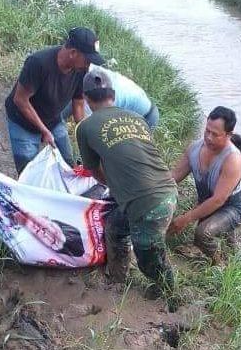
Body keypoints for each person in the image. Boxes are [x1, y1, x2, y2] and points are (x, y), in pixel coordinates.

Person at [75, 67, 177, 302]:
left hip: (148, 203)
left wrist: (113, 183)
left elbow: (93, 170)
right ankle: (118, 279)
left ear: (87, 99)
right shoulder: (138, 118)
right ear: (113, 94)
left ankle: (170, 294)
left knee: (148, 258)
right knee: (116, 228)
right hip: (169, 190)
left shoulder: (86, 127)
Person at [4, 27, 105, 174]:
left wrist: (86, 136)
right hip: (22, 121)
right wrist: (44, 130)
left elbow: (78, 105)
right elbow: (20, 100)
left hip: (53, 118)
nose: (89, 64)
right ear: (73, 53)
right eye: (87, 59)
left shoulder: (81, 70)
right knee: (29, 171)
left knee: (68, 162)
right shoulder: (38, 63)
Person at [169, 106, 241, 264]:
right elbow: (175, 175)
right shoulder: (194, 149)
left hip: (232, 206)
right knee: (221, 240)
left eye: (215, 134)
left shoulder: (232, 159)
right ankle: (231, 254)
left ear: (229, 135)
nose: (209, 138)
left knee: (202, 233)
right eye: (207, 131)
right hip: (208, 201)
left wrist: (186, 218)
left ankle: (220, 265)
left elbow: (218, 200)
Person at [62, 64, 160, 129]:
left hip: (146, 118)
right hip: (135, 108)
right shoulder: (95, 75)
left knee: (118, 151)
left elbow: (95, 130)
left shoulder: (107, 100)